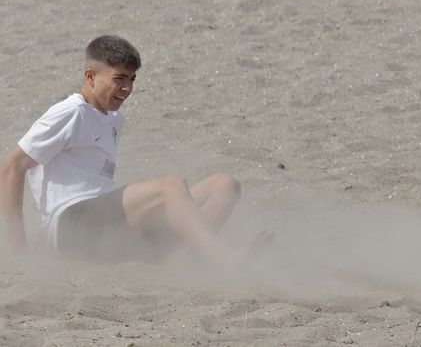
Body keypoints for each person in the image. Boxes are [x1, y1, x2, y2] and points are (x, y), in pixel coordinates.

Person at [1, 36, 246, 268]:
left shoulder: (115, 118)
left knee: (224, 185)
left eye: (132, 79)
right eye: (119, 78)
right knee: (170, 187)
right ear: (90, 76)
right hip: (69, 224)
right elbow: (12, 166)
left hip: (107, 228)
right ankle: (226, 261)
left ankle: (194, 265)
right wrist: (18, 250)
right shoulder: (71, 112)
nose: (127, 88)